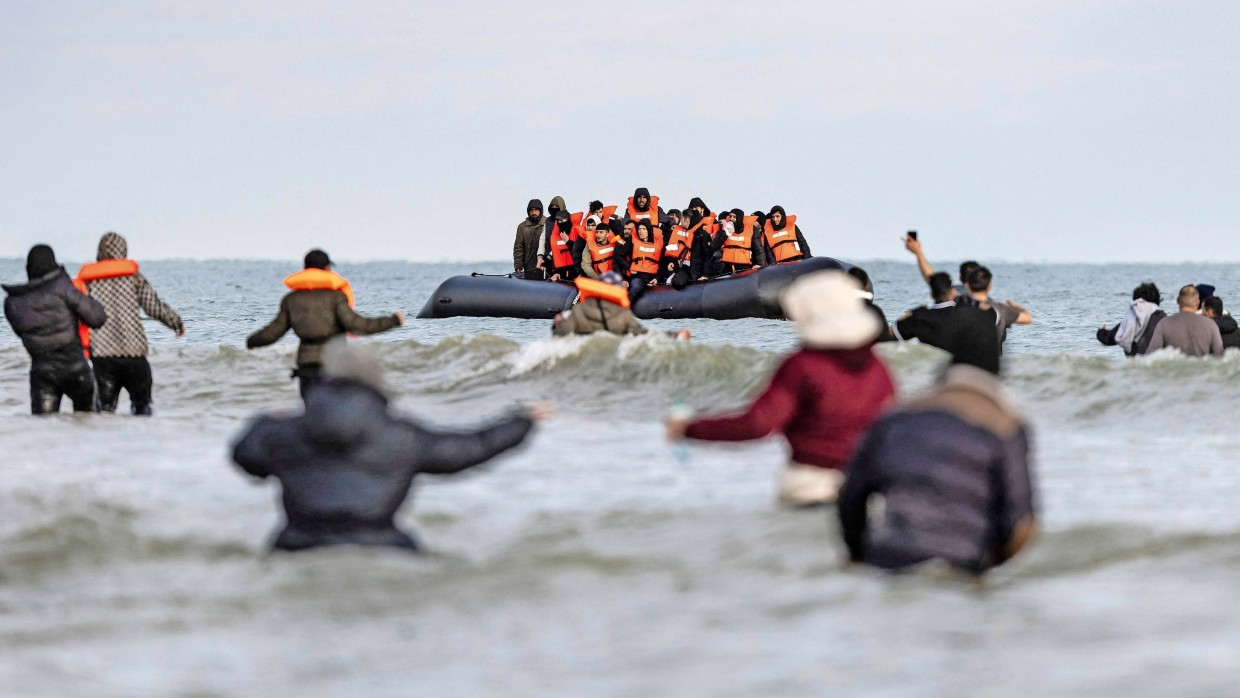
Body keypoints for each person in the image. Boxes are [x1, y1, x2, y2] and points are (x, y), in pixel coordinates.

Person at [232, 339, 547, 552]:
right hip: (381, 547)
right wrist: (522, 421)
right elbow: (469, 448)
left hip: (297, 547)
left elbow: (244, 455)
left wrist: (266, 421)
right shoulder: (402, 436)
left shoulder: (284, 433)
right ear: (375, 381)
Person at [667, 271, 896, 507]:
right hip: (865, 484)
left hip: (810, 483)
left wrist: (688, 429)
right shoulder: (878, 367)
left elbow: (758, 424)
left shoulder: (803, 364)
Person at [838, 340, 1036, 576]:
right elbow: (1021, 523)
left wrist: (858, 553)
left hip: (889, 555)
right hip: (962, 561)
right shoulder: (1006, 427)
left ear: (941, 377)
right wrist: (988, 565)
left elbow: (851, 495)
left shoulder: (894, 417)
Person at [246, 249, 405, 400]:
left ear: (305, 269)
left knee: (312, 415)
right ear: (327, 269)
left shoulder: (291, 300)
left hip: (307, 367)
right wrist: (393, 320)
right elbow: (358, 325)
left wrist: (252, 341)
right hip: (334, 365)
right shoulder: (336, 298)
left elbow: (273, 332)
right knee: (335, 417)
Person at [74, 231, 185, 415]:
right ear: (123, 251)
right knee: (143, 407)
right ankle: (143, 441)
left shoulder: (89, 281)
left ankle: (103, 443)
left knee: (104, 411)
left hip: (103, 356)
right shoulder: (134, 277)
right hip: (134, 354)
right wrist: (176, 322)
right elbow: (153, 306)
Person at [3, 244, 108, 414]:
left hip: (42, 374)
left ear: (29, 269)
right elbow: (97, 318)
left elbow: (21, 333)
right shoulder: (62, 286)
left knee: (43, 431)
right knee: (89, 427)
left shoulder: (13, 304)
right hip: (76, 369)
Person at [552, 272, 691, 339]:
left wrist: (556, 324)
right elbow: (645, 335)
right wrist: (675, 335)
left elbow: (560, 335)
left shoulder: (579, 310)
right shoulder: (623, 315)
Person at [964, 266, 1032, 352]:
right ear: (989, 287)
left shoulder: (957, 308)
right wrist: (1015, 307)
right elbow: (1028, 318)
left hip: (963, 363)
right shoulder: (1001, 309)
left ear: (967, 286)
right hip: (992, 362)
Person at [1146, 285, 1224, 357]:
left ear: (1177, 301)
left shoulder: (1164, 324)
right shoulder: (1210, 325)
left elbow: (1151, 355)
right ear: (1198, 303)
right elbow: (1219, 355)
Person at [902, 234, 980, 305]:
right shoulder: (989, 303)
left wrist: (919, 253)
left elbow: (933, 280)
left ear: (960, 278)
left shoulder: (955, 291)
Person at [1096, 282, 1166, 357]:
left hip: (1136, 363)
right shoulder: (1164, 319)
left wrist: (1101, 332)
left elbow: (1109, 339)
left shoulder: (1133, 319)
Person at [624, 219, 663, 300]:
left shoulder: (658, 244)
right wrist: (629, 267)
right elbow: (618, 255)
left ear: (648, 230)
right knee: (635, 286)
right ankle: (623, 308)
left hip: (652, 277)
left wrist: (657, 279)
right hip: (637, 277)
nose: (641, 231)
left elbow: (663, 263)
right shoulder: (632, 242)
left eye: (643, 229)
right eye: (639, 229)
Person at [546, 210, 583, 282]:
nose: (560, 223)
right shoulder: (555, 235)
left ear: (568, 219)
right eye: (558, 221)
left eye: (562, 220)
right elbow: (555, 253)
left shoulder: (577, 232)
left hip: (575, 271)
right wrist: (556, 271)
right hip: (561, 273)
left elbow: (581, 252)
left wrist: (568, 241)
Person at [513, 199, 546, 280]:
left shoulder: (548, 223)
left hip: (545, 265)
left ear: (540, 210)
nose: (533, 212)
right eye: (531, 210)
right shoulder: (522, 227)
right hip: (528, 266)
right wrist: (518, 265)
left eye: (536, 210)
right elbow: (518, 248)